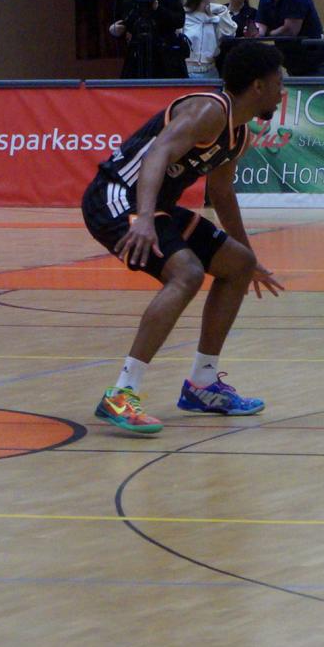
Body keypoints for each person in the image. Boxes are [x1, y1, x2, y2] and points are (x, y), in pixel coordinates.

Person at [81, 39, 287, 436]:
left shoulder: (239, 133)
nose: (282, 92)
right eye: (279, 82)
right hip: (116, 196)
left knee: (238, 265)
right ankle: (121, 393)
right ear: (258, 86)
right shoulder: (209, 110)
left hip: (153, 204)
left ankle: (202, 385)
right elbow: (156, 154)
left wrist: (250, 255)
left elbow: (221, 192)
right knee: (186, 273)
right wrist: (143, 218)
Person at [108, 0, 187, 79]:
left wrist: (157, 8)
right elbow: (122, 21)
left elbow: (179, 20)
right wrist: (116, 30)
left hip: (165, 52)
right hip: (137, 52)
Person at [181, 0, 238, 80]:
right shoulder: (184, 15)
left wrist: (223, 10)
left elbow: (230, 32)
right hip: (188, 72)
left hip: (211, 72)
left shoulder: (215, 16)